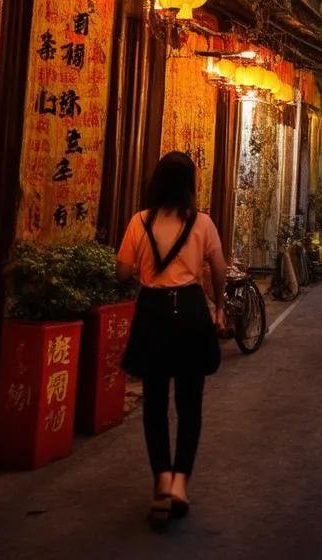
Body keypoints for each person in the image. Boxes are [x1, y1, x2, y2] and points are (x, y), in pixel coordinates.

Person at [117, 152, 227, 524]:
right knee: (190, 404)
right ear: (189, 185)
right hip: (192, 311)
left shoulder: (138, 222)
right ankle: (181, 484)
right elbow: (218, 268)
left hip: (153, 313)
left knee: (154, 403)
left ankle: (161, 484)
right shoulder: (202, 223)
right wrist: (220, 307)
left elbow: (122, 271)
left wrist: (145, 272)